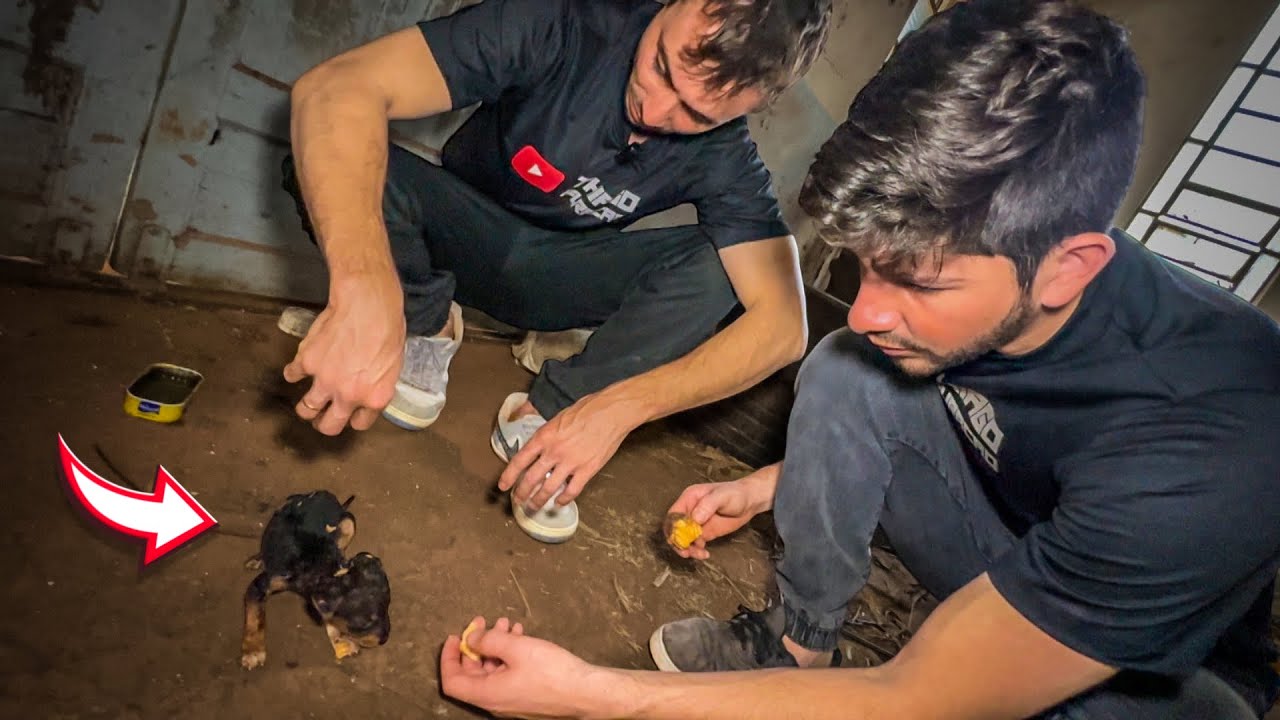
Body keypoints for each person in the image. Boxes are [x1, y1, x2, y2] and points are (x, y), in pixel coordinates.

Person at [437, 0, 1280, 717]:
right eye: (867, 264)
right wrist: (780, 480)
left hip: (1145, 676)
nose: (873, 308)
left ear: (1073, 268)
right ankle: (798, 646)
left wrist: (592, 692)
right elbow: (973, 428)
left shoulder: (1215, 440)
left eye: (918, 282)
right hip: (1021, 541)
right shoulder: (1004, 268)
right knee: (848, 365)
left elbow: (912, 697)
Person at [279, 0, 832, 543]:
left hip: (556, 274)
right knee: (330, 159)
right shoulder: (562, 20)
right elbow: (334, 90)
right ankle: (422, 319)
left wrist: (616, 410)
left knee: (723, 269)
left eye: (698, 115)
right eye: (662, 67)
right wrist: (365, 291)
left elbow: (785, 329)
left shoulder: (728, 159)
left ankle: (550, 414)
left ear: (750, 107)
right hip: (458, 230)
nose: (657, 111)